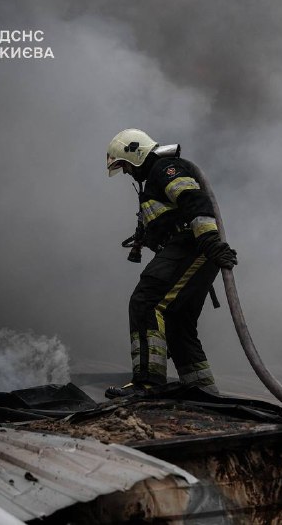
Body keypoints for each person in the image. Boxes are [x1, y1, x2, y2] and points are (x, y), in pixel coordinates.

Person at [104, 129, 237, 398]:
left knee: (146, 302)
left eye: (126, 165)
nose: (127, 172)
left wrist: (210, 241)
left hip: (192, 246)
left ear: (136, 154)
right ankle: (204, 395)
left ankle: (147, 383)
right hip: (191, 249)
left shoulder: (165, 168)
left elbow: (194, 201)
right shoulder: (153, 179)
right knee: (176, 321)